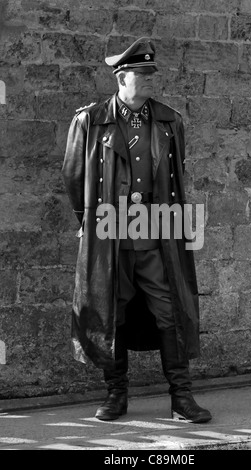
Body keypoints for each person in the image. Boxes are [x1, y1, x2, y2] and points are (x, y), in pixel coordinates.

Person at [62, 37, 212, 424]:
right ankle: (116, 395)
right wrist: (90, 224)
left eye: (151, 73)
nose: (149, 79)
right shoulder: (90, 120)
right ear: (121, 77)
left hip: (157, 230)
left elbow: (177, 174)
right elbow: (74, 176)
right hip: (109, 232)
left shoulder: (168, 119)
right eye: (141, 74)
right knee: (114, 311)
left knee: (171, 310)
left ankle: (181, 398)